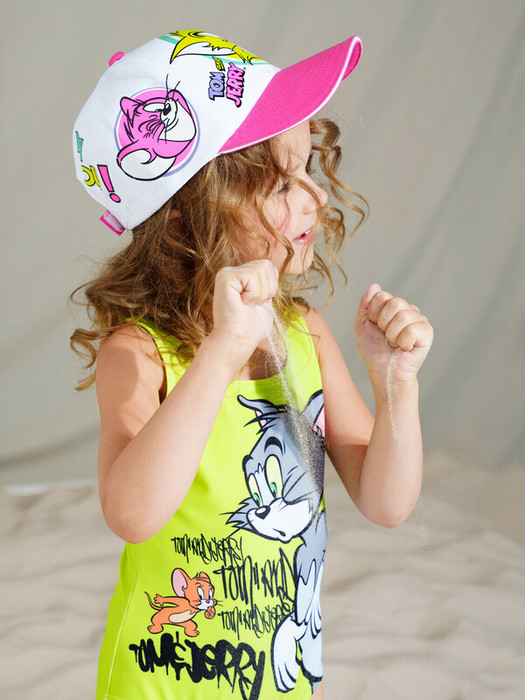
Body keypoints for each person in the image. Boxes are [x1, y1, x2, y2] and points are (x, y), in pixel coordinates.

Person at [70, 30, 433, 700]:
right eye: (282, 183)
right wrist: (223, 347)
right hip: (162, 686)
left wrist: (396, 384)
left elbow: (385, 503)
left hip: (282, 682)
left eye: (309, 171)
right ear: (186, 214)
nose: (315, 198)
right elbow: (132, 515)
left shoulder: (304, 335)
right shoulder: (140, 352)